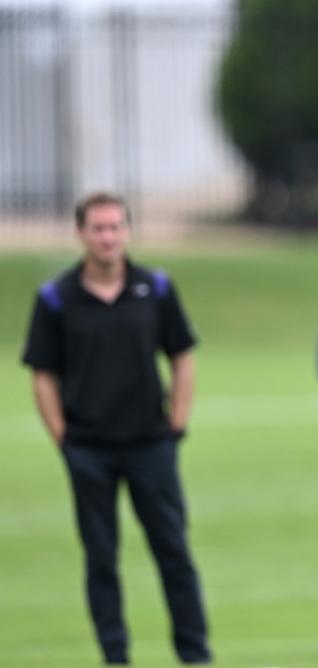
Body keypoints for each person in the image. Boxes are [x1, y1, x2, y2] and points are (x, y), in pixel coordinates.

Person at [20, 192, 212, 666]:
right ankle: (115, 654)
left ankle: (194, 653)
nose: (107, 237)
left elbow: (182, 353)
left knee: (174, 551)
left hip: (151, 443)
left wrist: (177, 422)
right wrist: (61, 436)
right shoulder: (56, 298)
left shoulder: (156, 288)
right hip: (88, 448)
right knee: (101, 558)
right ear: (81, 233)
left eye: (115, 227)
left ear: (127, 231)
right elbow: (42, 372)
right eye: (98, 228)